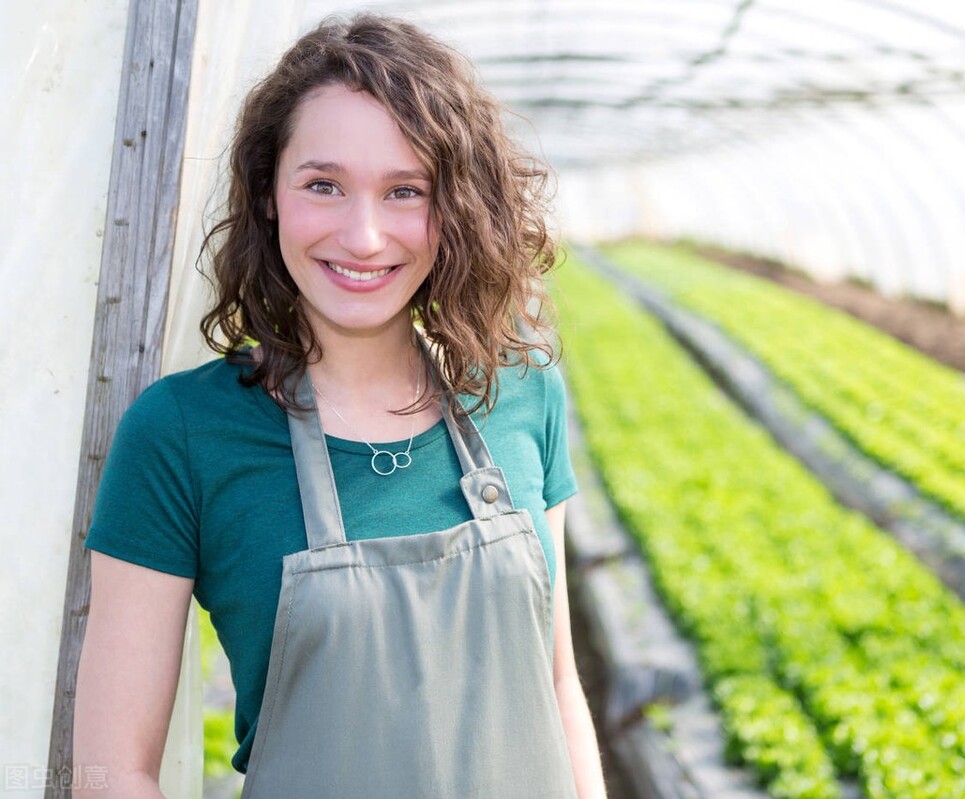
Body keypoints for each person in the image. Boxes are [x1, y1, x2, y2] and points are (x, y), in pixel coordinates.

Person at [73, 13, 607, 798]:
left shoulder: (523, 397)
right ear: (267, 195)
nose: (363, 235)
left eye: (406, 191)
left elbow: (560, 686)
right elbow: (112, 771)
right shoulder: (181, 433)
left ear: (454, 207)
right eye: (324, 185)